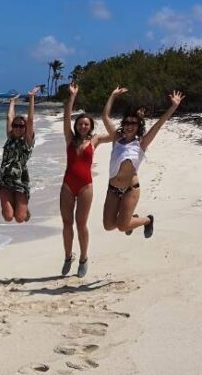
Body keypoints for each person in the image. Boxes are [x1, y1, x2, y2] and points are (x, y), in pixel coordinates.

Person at [100, 89, 185, 239]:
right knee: (109, 226)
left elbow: (158, 125)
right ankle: (131, 218)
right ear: (123, 124)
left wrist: (173, 106)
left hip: (130, 189)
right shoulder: (116, 139)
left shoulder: (141, 143)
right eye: (127, 122)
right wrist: (112, 96)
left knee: (122, 226)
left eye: (133, 123)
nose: (129, 125)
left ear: (138, 125)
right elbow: (105, 117)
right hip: (113, 189)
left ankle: (148, 220)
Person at [60, 82, 111, 277]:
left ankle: (83, 257)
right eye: (80, 123)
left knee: (81, 224)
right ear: (76, 126)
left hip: (85, 186)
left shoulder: (95, 140)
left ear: (90, 126)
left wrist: (112, 99)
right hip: (67, 185)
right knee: (67, 223)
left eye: (86, 124)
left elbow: (114, 135)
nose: (83, 126)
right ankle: (67, 256)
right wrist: (72, 97)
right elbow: (66, 117)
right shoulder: (69, 138)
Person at [0, 86, 39, 223]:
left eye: (21, 126)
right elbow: (9, 117)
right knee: (8, 217)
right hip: (5, 178)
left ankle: (22, 206)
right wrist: (12, 102)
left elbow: (30, 119)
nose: (18, 128)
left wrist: (31, 98)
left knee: (20, 218)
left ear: (25, 128)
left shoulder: (27, 141)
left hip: (20, 179)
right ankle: (13, 202)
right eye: (15, 126)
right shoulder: (10, 138)